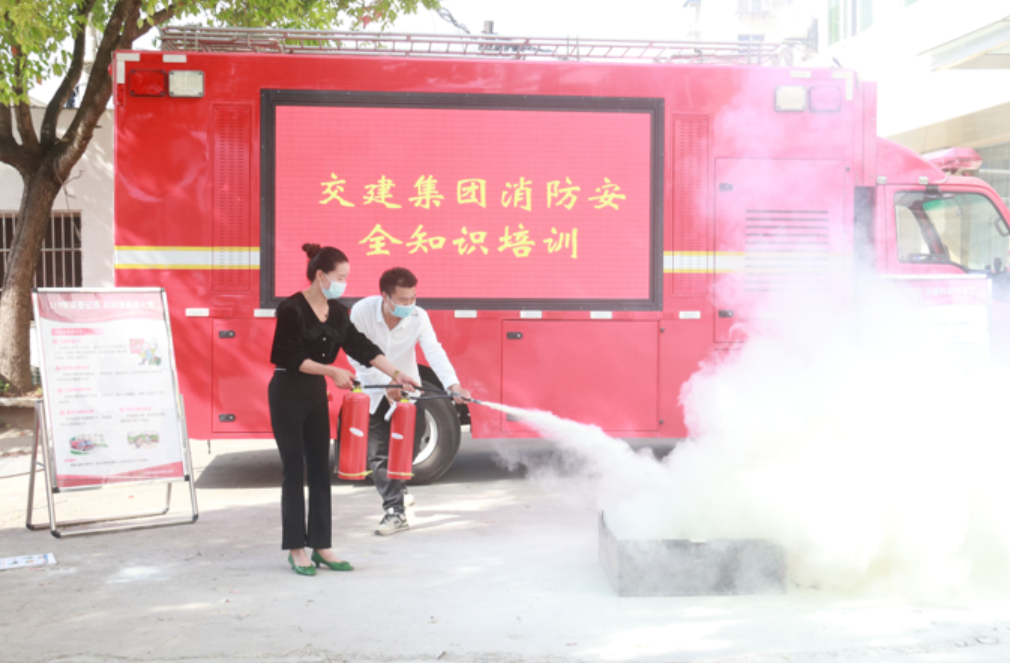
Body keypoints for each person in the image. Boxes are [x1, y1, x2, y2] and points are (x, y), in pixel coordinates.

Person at [269, 244, 420, 575]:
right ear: (320, 275)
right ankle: (296, 549)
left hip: (314, 394)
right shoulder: (292, 308)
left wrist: (396, 374)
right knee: (294, 470)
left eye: (346, 278)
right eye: (340, 277)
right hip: (287, 393)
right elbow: (286, 357)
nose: (344, 283)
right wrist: (331, 371)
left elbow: (361, 346)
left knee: (320, 470)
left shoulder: (337, 312)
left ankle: (321, 546)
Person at [348, 267, 471, 536]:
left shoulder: (418, 316)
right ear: (385, 297)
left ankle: (398, 485)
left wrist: (452, 385)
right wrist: (386, 381)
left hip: (407, 391)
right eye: (403, 299)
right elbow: (355, 354)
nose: (409, 304)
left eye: (413, 298)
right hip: (374, 389)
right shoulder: (362, 312)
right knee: (379, 453)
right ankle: (395, 511)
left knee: (410, 448)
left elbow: (434, 350)